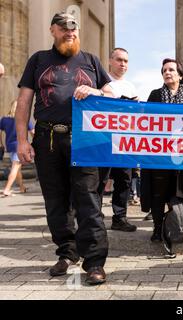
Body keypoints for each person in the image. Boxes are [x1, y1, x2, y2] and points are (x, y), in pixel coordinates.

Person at [15, 12, 114, 285]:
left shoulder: (91, 61)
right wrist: (22, 140)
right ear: (53, 31)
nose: (70, 33)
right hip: (47, 139)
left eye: (73, 30)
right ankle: (67, 253)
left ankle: (94, 263)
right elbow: (24, 102)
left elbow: (114, 95)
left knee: (88, 200)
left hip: (85, 139)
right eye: (64, 29)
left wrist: (94, 91)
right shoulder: (38, 60)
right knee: (56, 202)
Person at [140, 58, 183, 242]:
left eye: (171, 70)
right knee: (159, 192)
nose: (167, 73)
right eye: (164, 70)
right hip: (161, 155)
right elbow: (147, 122)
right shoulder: (155, 95)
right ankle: (158, 228)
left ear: (180, 75)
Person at [97, 48, 138, 232]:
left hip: (124, 139)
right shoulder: (100, 82)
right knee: (99, 179)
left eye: (126, 61)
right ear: (110, 61)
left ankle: (119, 217)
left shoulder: (131, 86)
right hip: (103, 139)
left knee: (124, 179)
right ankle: (94, 216)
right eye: (119, 60)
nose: (123, 64)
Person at [0, 100, 34, 196]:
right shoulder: (25, 119)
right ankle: (7, 189)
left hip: (9, 146)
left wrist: (1, 143)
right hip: (20, 146)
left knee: (17, 168)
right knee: (15, 168)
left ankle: (22, 187)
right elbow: (33, 133)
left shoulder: (4, 120)